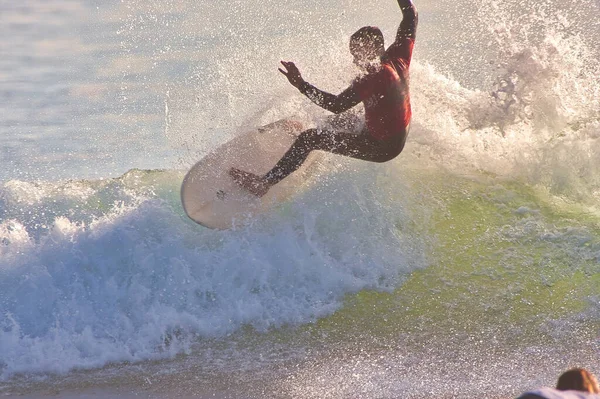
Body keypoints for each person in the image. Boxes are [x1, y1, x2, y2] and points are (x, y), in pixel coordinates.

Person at [229, 0, 418, 196]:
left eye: (357, 54)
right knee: (341, 120)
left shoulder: (373, 78)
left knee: (309, 139)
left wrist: (301, 84)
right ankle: (297, 148)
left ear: (370, 51)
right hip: (394, 131)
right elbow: (410, 14)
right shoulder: (398, 55)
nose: (354, 60)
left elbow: (335, 104)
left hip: (383, 147)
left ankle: (263, 184)